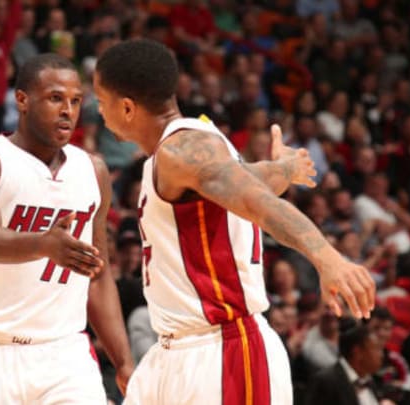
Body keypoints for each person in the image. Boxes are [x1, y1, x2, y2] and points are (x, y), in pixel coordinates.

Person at [93, 39, 375, 405]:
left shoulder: (183, 150)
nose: (97, 111)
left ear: (127, 107)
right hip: (173, 348)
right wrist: (285, 168)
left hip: (225, 348)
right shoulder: (186, 153)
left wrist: (328, 259)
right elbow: (248, 180)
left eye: (101, 101)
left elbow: (257, 202)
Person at [0, 53, 134, 404]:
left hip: (66, 353)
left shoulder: (94, 171)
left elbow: (98, 274)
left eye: (75, 101)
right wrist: (45, 245)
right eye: (56, 98)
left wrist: (123, 361)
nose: (68, 111)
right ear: (22, 100)